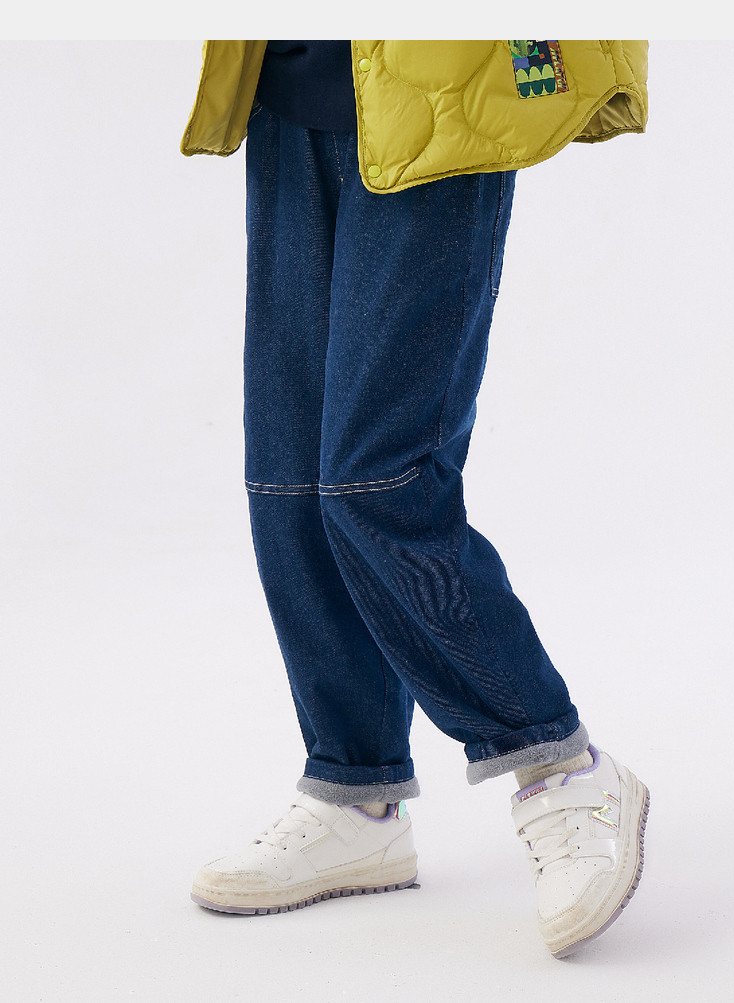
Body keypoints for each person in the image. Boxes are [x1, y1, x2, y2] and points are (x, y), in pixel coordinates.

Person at [180, 40, 650, 958]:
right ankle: (357, 794)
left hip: (444, 85)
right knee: (290, 480)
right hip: (291, 84)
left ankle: (562, 766)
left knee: (380, 478)